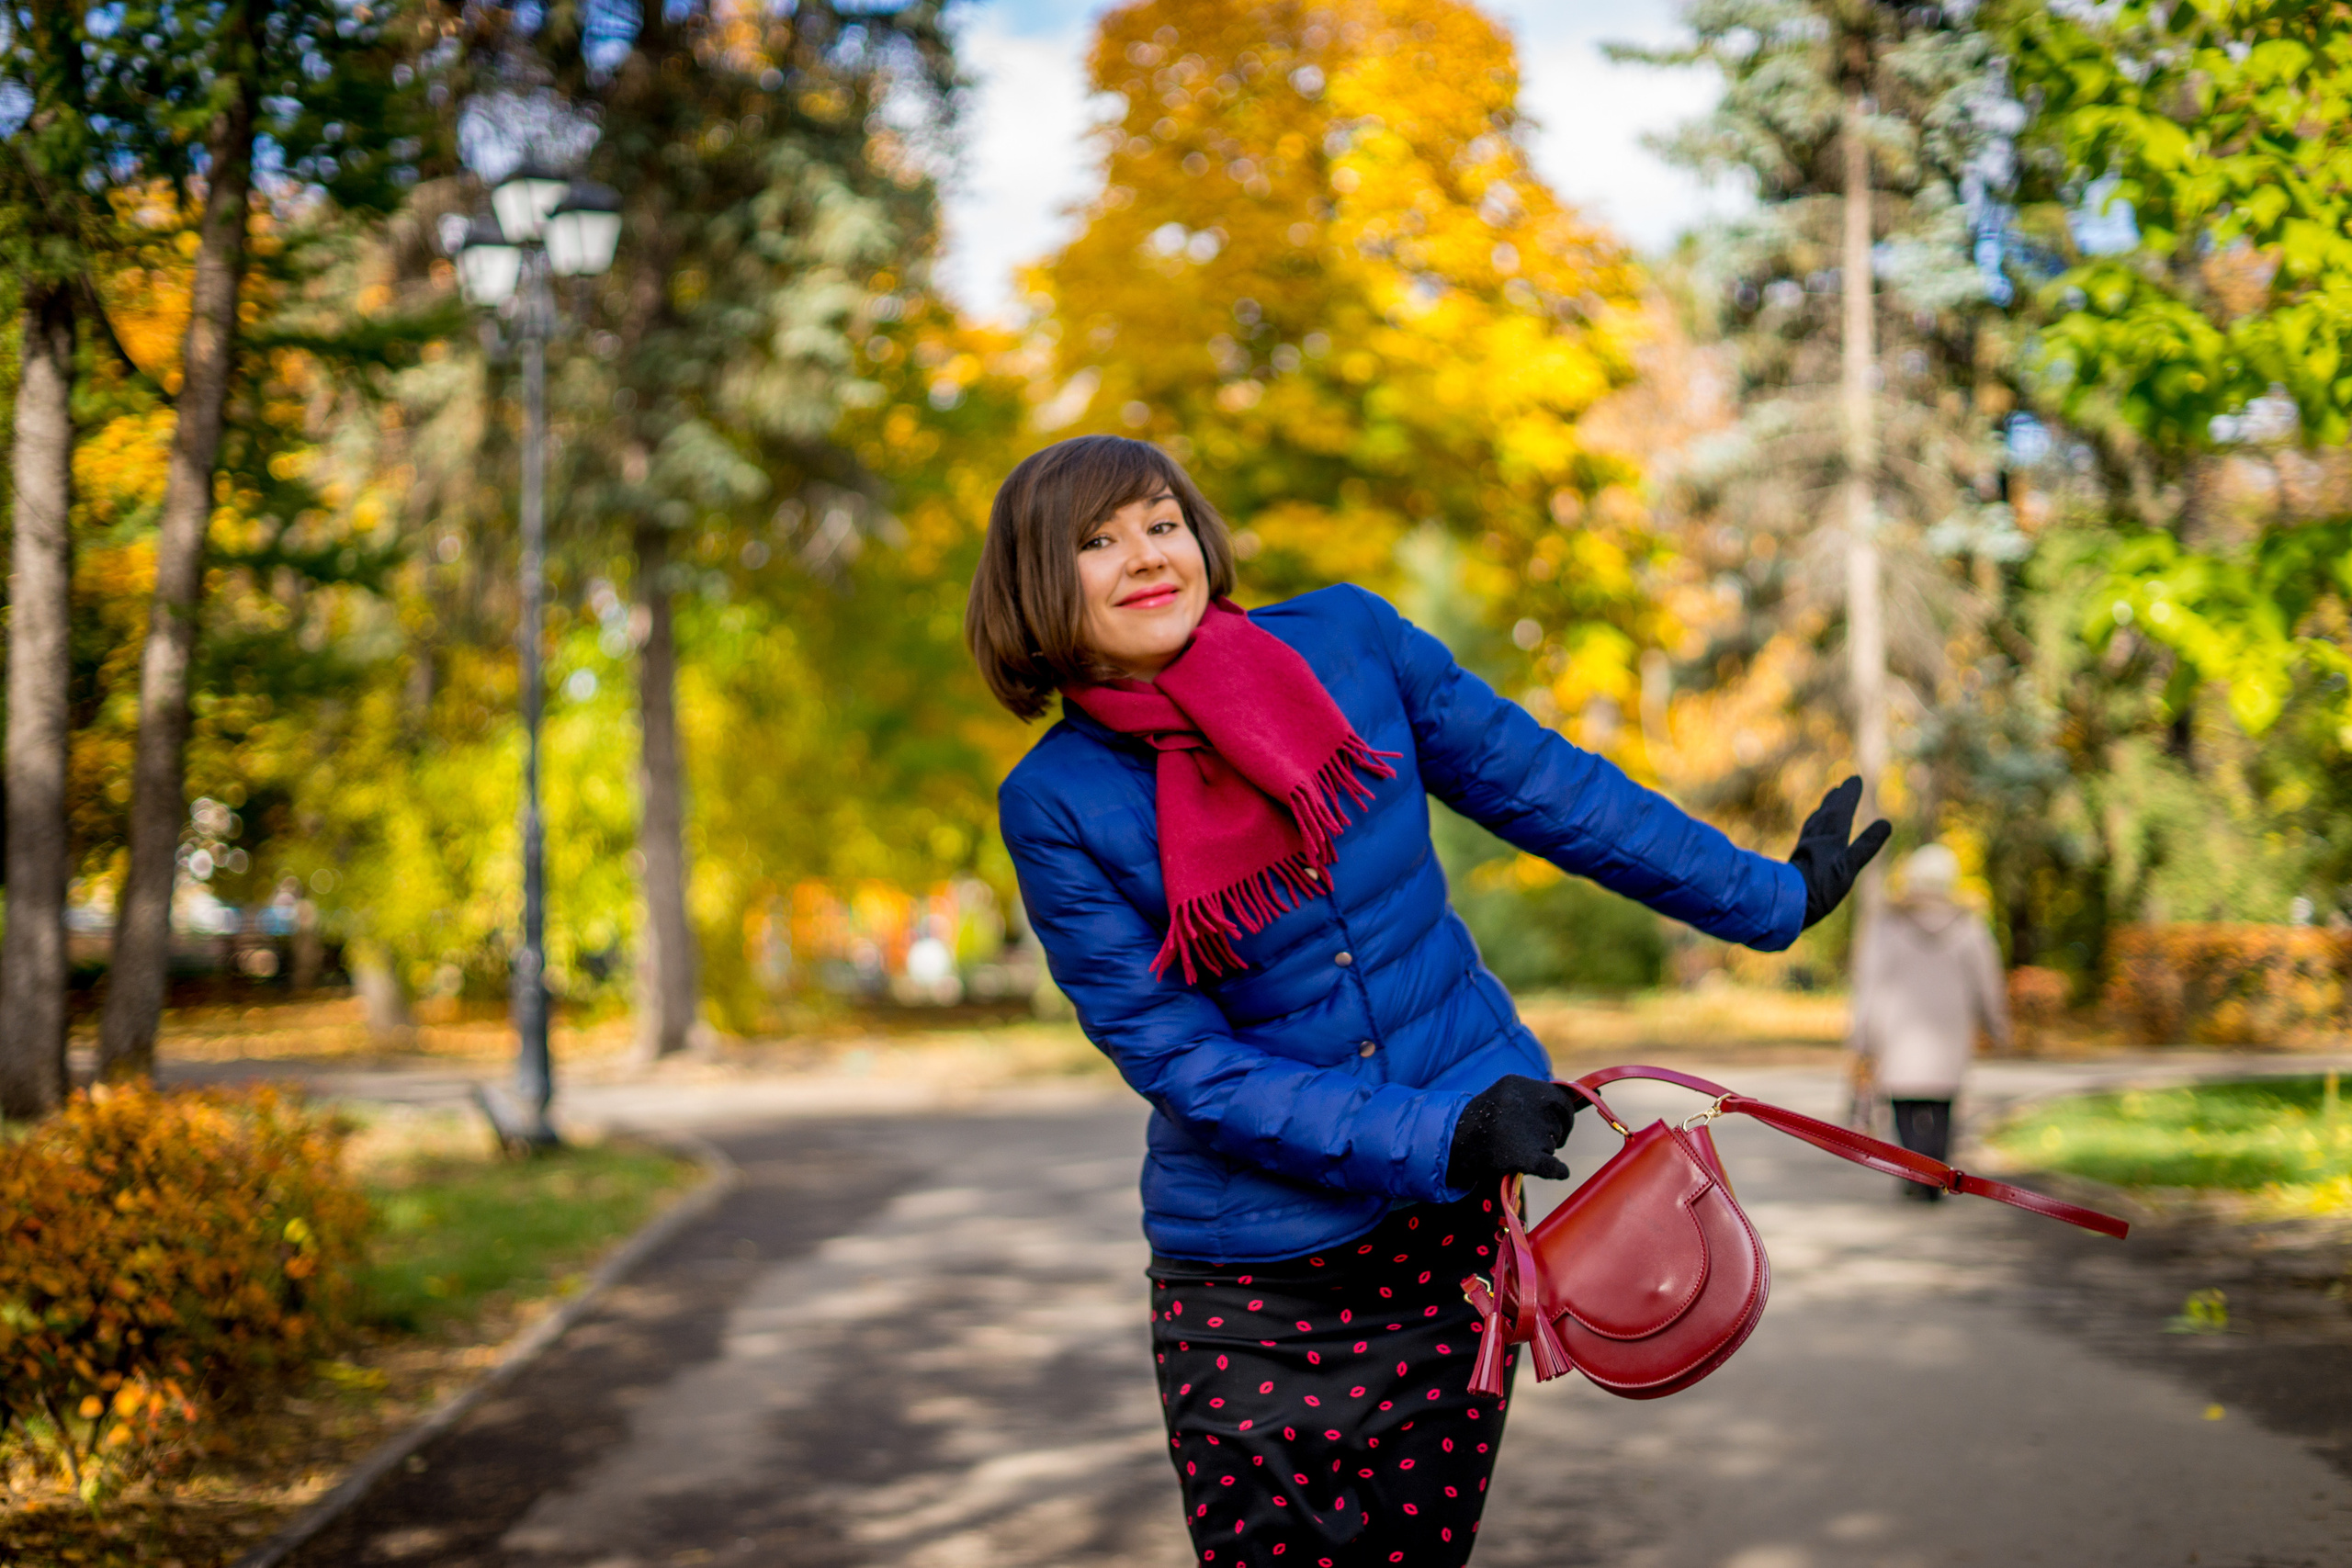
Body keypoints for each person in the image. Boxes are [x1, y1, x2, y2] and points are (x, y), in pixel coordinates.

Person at [967, 434, 1888, 1568]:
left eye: (1161, 522)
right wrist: (1436, 1132)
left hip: (1441, 1250)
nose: (1144, 558)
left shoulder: (1350, 645)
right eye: (1094, 543)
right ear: (1038, 588)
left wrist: (1771, 900)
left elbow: (1550, 789)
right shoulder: (1054, 800)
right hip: (1252, 1278)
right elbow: (1178, 1061)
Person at [1849, 843, 2011, 1200]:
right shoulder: (1969, 926)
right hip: (1949, 1036)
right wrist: (1998, 1027)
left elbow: (1868, 982)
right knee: (1942, 1106)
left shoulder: (1888, 925)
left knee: (1904, 1107)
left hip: (1897, 1037)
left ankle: (1914, 1175)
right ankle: (1936, 1175)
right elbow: (1989, 981)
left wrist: (1861, 1035)